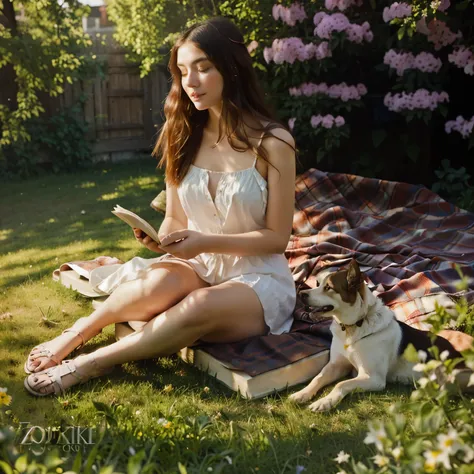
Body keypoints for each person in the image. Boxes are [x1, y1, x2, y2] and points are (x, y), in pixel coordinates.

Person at [24, 16, 297, 396]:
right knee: (156, 280)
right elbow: (174, 218)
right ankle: (75, 335)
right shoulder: (182, 133)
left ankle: (90, 363)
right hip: (198, 264)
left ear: (232, 69)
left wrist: (202, 242)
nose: (191, 81)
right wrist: (163, 240)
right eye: (184, 71)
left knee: (199, 305)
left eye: (203, 68)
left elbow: (277, 238)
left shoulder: (274, 142)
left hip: (259, 281)